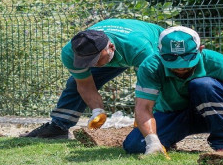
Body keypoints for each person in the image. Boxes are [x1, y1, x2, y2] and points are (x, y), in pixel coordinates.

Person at [123, 26, 223, 156]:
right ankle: (165, 142)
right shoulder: (150, 66)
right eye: (171, 59)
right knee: (135, 146)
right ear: (160, 52)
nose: (180, 68)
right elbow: (143, 108)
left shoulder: (219, 63)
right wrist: (152, 142)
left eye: (187, 58)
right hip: (175, 115)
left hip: (217, 113)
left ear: (200, 50)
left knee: (203, 85)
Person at [23, 18, 164, 138]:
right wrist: (97, 111)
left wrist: (142, 117)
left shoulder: (139, 48)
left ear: (111, 47)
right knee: (75, 83)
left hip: (150, 45)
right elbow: (85, 85)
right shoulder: (70, 52)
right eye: (86, 61)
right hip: (117, 54)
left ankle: (162, 126)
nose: (92, 65)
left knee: (160, 85)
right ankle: (58, 127)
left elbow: (149, 86)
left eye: (95, 60)